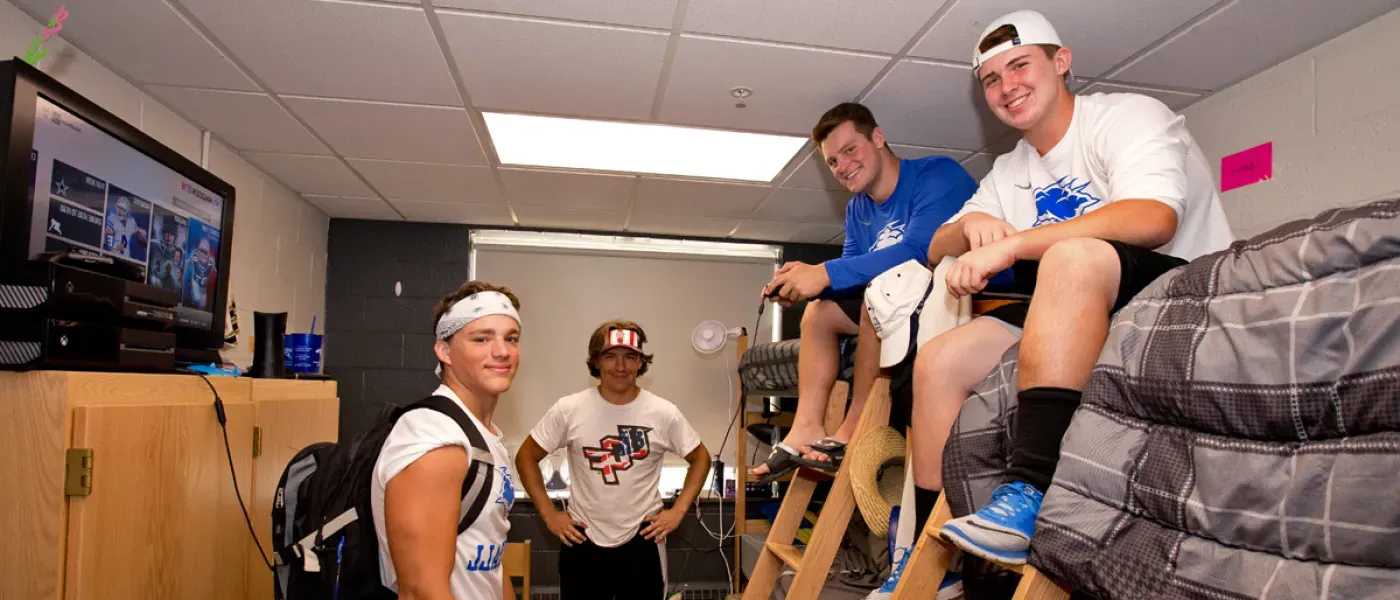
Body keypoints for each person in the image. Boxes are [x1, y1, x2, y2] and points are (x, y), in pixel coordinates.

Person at [911, 10, 1235, 564]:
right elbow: (934, 247)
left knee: (1071, 256)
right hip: (1082, 298)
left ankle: (1029, 490)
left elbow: (1154, 218)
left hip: (1180, 294)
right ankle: (933, 556)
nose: (1006, 85)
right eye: (991, 78)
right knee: (940, 360)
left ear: (1061, 63)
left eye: (1019, 65)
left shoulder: (1126, 116)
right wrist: (967, 227)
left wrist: (1014, 244)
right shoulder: (1008, 169)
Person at [751, 102, 978, 481]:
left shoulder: (937, 176)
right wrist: (807, 287)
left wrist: (822, 273)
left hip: (955, 300)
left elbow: (922, 252)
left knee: (871, 298)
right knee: (819, 312)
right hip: (896, 308)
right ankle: (806, 424)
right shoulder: (858, 209)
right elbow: (849, 275)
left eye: (850, 150)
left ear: (877, 137)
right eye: (832, 161)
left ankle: (854, 426)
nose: (842, 166)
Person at [514, 321, 712, 600]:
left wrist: (678, 511)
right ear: (596, 361)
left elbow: (701, 457)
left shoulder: (663, 413)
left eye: (630, 356)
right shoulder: (569, 409)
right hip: (582, 536)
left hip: (642, 538)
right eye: (610, 356)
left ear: (641, 362)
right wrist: (549, 514)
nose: (621, 366)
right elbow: (526, 457)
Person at [370, 280, 523, 599]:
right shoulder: (435, 437)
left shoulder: (486, 435)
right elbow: (421, 590)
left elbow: (491, 561)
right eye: (481, 338)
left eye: (511, 338)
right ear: (444, 350)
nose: (502, 351)